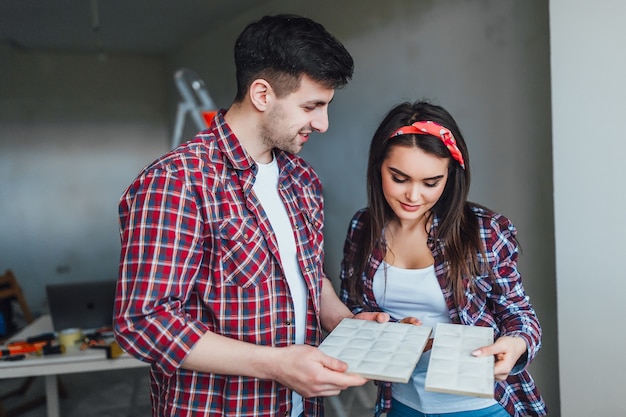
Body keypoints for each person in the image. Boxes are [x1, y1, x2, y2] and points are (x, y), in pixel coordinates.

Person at [114, 14, 388, 417]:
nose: (323, 124)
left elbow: (307, 276)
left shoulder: (302, 179)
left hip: (300, 408)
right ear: (262, 94)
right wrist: (277, 365)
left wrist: (347, 323)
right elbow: (144, 321)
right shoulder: (177, 181)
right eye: (312, 106)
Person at [339, 100, 547, 417]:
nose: (413, 196)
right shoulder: (362, 227)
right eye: (399, 178)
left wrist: (517, 344)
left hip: (481, 405)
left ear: (450, 177)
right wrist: (394, 332)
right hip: (400, 403)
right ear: (378, 166)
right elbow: (353, 308)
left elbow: (519, 313)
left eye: (431, 183)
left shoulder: (485, 231)